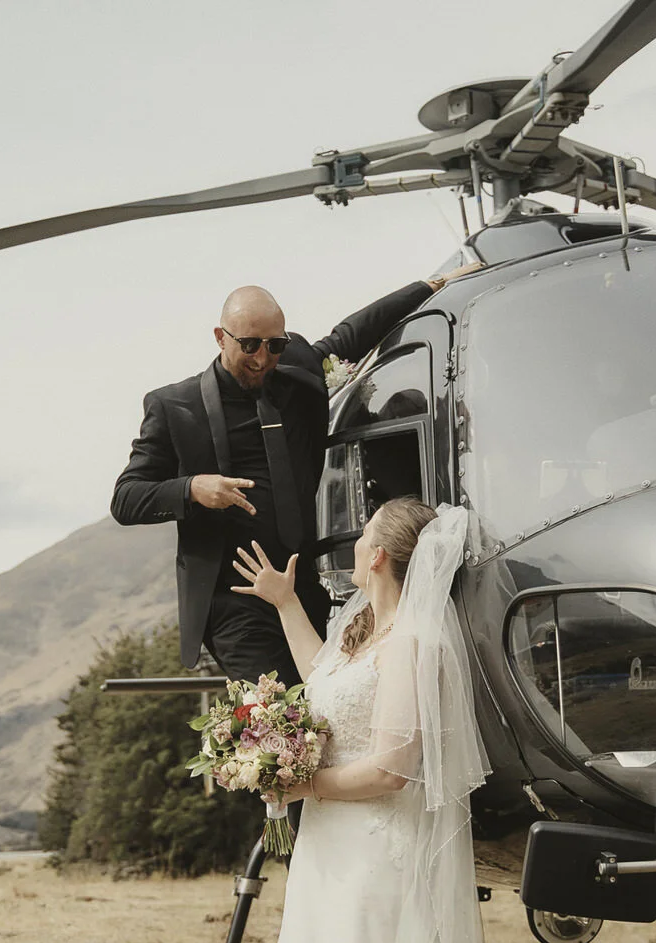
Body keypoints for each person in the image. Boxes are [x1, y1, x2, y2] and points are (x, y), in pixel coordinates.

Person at [110, 267, 481, 684]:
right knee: (287, 716)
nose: (262, 358)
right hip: (236, 602)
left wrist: (429, 286)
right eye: (249, 345)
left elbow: (350, 335)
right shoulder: (174, 407)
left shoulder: (296, 371)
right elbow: (126, 498)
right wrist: (193, 488)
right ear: (220, 337)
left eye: (275, 344)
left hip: (302, 589)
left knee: (325, 709)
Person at [229, 497, 494, 943]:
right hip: (332, 845)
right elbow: (323, 680)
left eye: (363, 533)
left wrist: (306, 784)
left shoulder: (409, 644)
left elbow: (391, 770)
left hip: (374, 851)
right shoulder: (368, 632)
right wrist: (284, 602)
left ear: (376, 557)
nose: (352, 541)